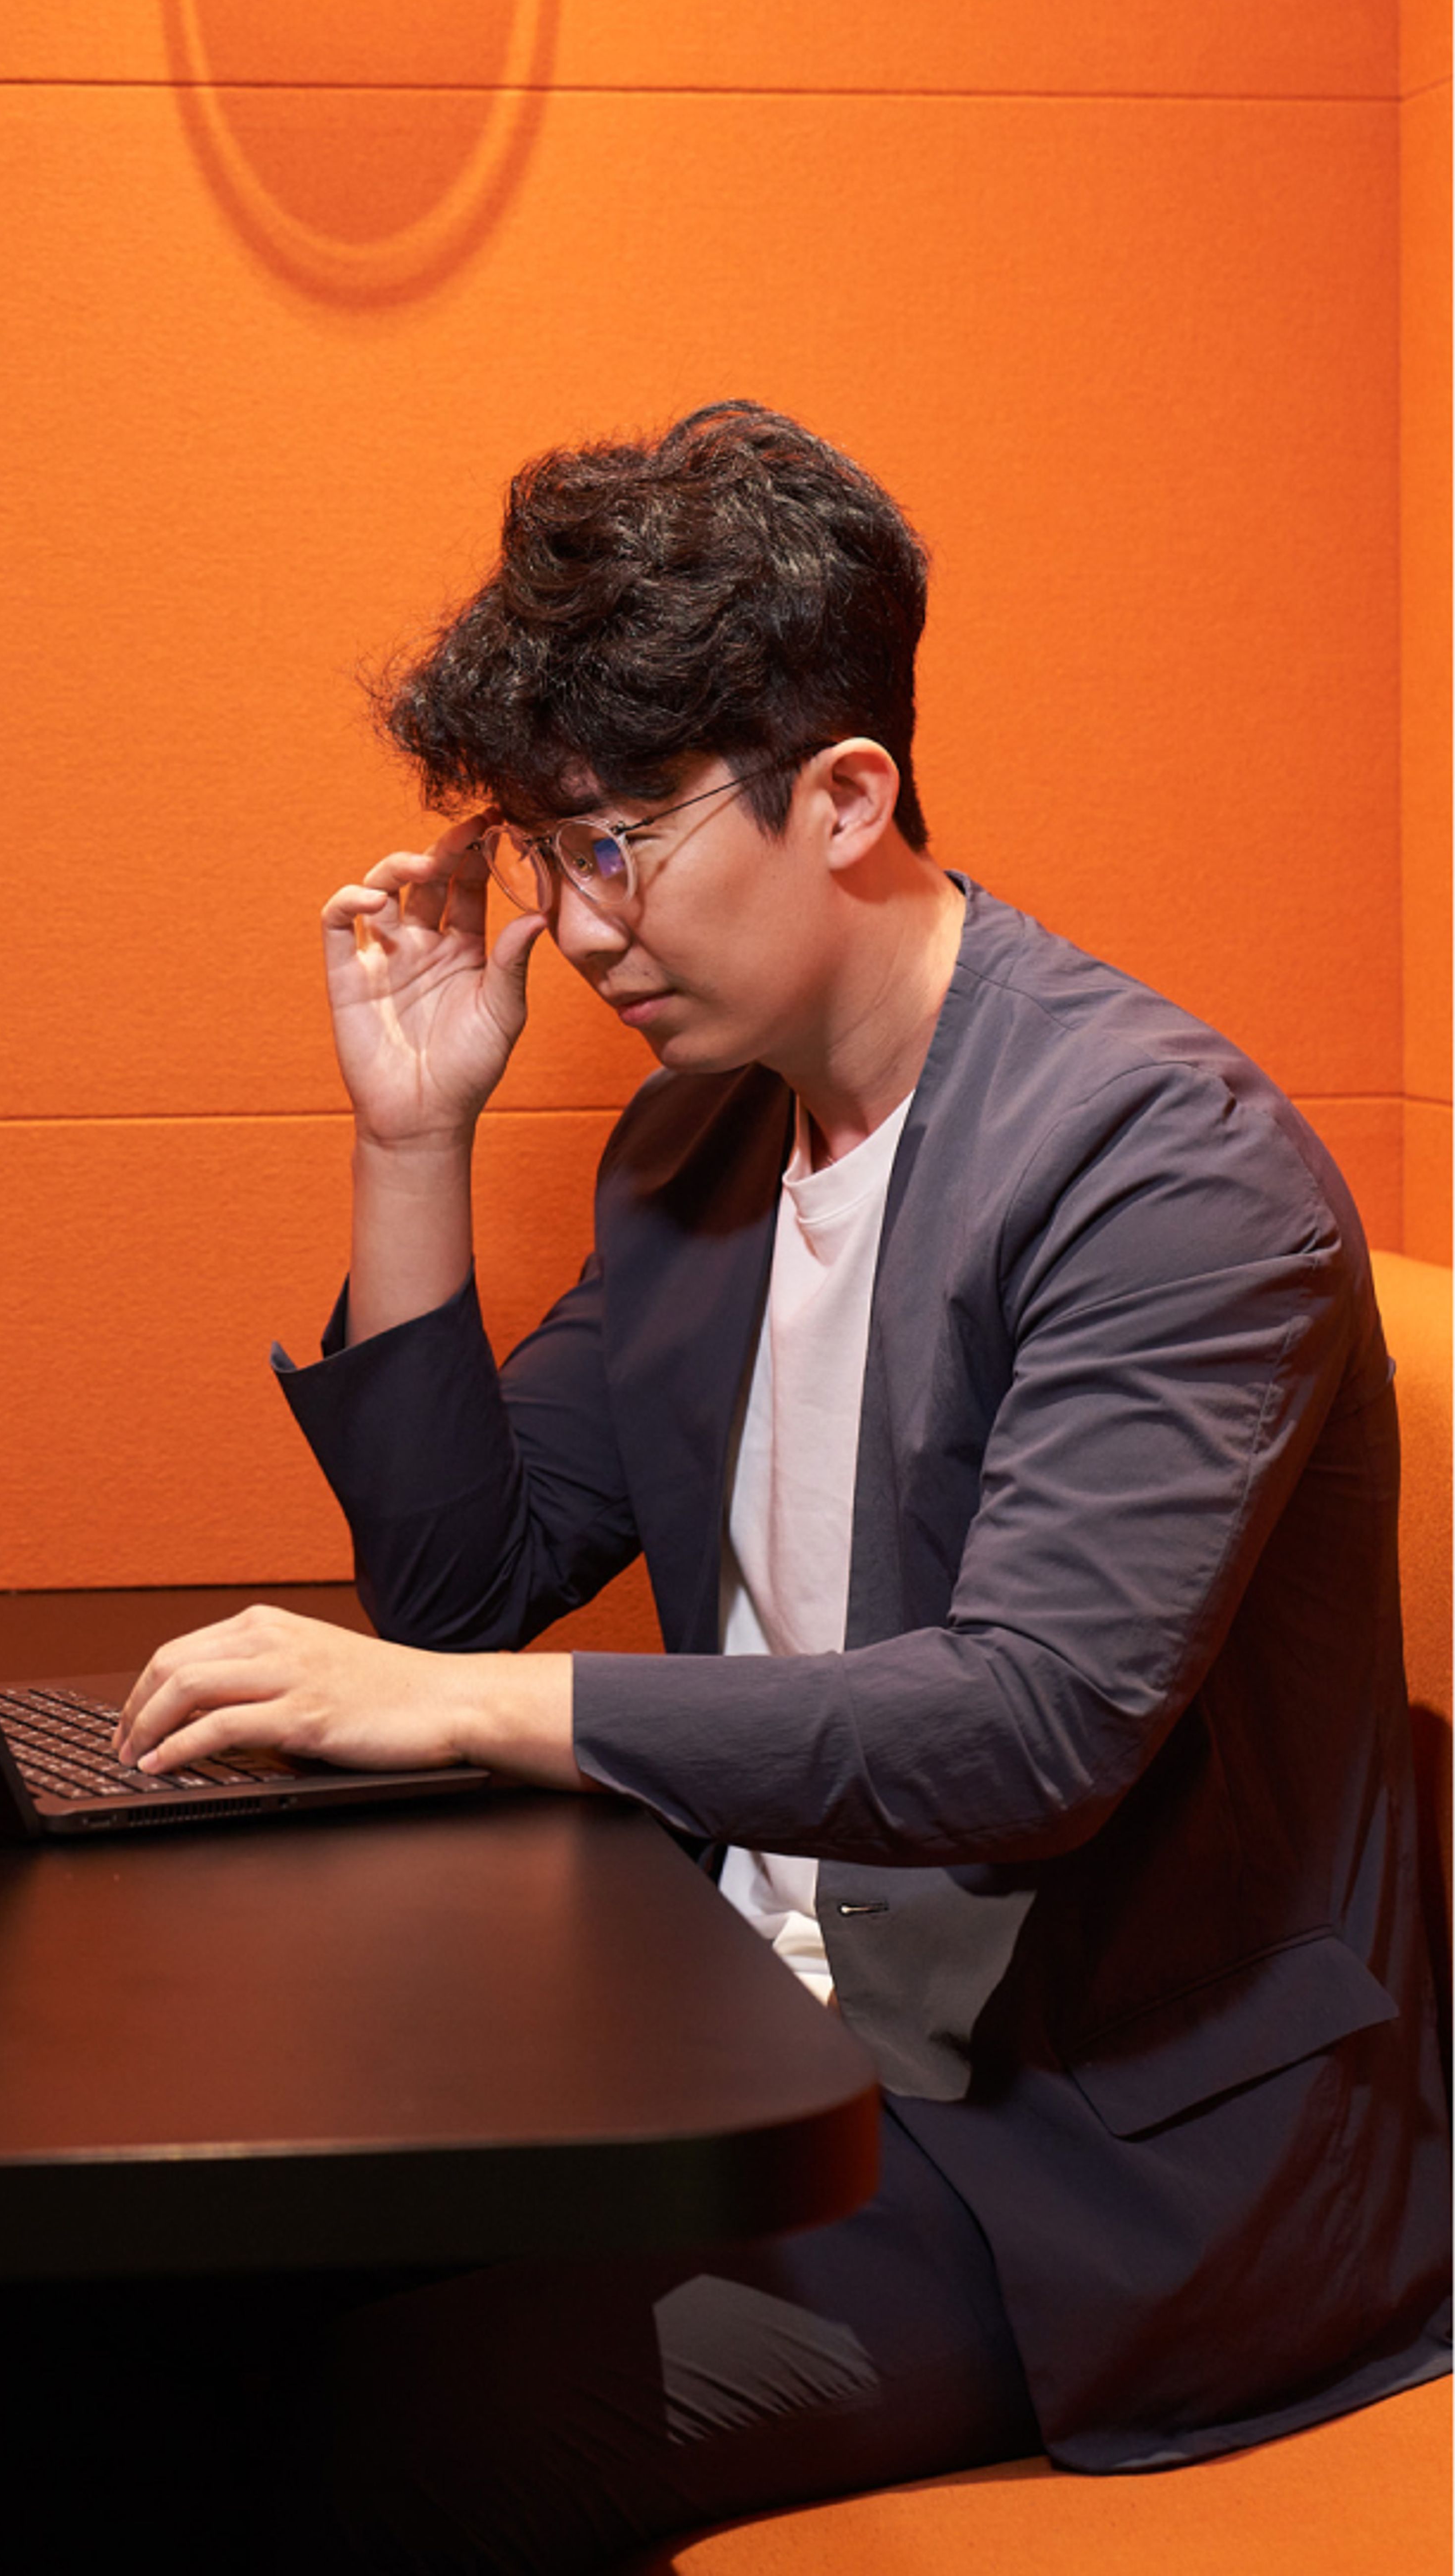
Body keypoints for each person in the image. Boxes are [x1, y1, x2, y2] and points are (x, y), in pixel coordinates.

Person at [111, 402, 1450, 2573]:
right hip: (754, 2044)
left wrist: (477, 1716)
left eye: (619, 838)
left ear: (848, 797)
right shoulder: (697, 1143)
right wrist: (411, 1134)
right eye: (544, 850)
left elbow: (1032, 1727)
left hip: (1093, 2152)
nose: (575, 919)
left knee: (420, 2432)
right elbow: (467, 1576)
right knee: (151, 2297)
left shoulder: (1161, 1164)